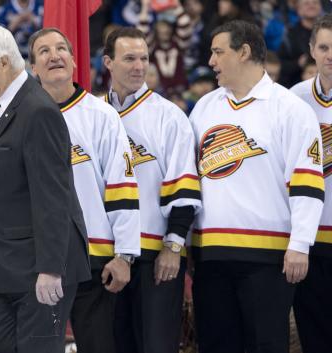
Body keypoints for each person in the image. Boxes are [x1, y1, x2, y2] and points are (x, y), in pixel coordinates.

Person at [190, 20, 323, 353]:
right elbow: (190, 179)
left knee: (266, 345)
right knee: (215, 344)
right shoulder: (205, 107)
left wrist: (301, 244)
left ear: (244, 52)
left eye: (218, 52)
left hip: (268, 256)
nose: (211, 62)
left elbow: (307, 182)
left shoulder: (290, 108)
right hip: (210, 254)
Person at [0, 24, 90, 353]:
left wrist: (51, 269)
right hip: (10, 270)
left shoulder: (38, 111)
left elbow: (52, 196)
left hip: (38, 270)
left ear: (3, 63)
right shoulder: (2, 108)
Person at [29, 28, 141, 353]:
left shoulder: (101, 115)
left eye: (62, 48)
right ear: (32, 67)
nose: (55, 55)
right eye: (44, 51)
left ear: (74, 61)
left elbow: (123, 186)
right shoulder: (19, 118)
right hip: (36, 262)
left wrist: (125, 255)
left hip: (94, 262)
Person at [102, 26, 202, 353]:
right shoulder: (92, 115)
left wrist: (173, 246)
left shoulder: (169, 116)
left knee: (156, 346)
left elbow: (184, 185)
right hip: (102, 255)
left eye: (143, 58)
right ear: (107, 62)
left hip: (154, 255)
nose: (139, 66)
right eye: (129, 58)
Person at [290, 13, 332, 353]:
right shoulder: (293, 99)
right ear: (312, 50)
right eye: (324, 47)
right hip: (310, 238)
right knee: (313, 329)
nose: (331, 55)